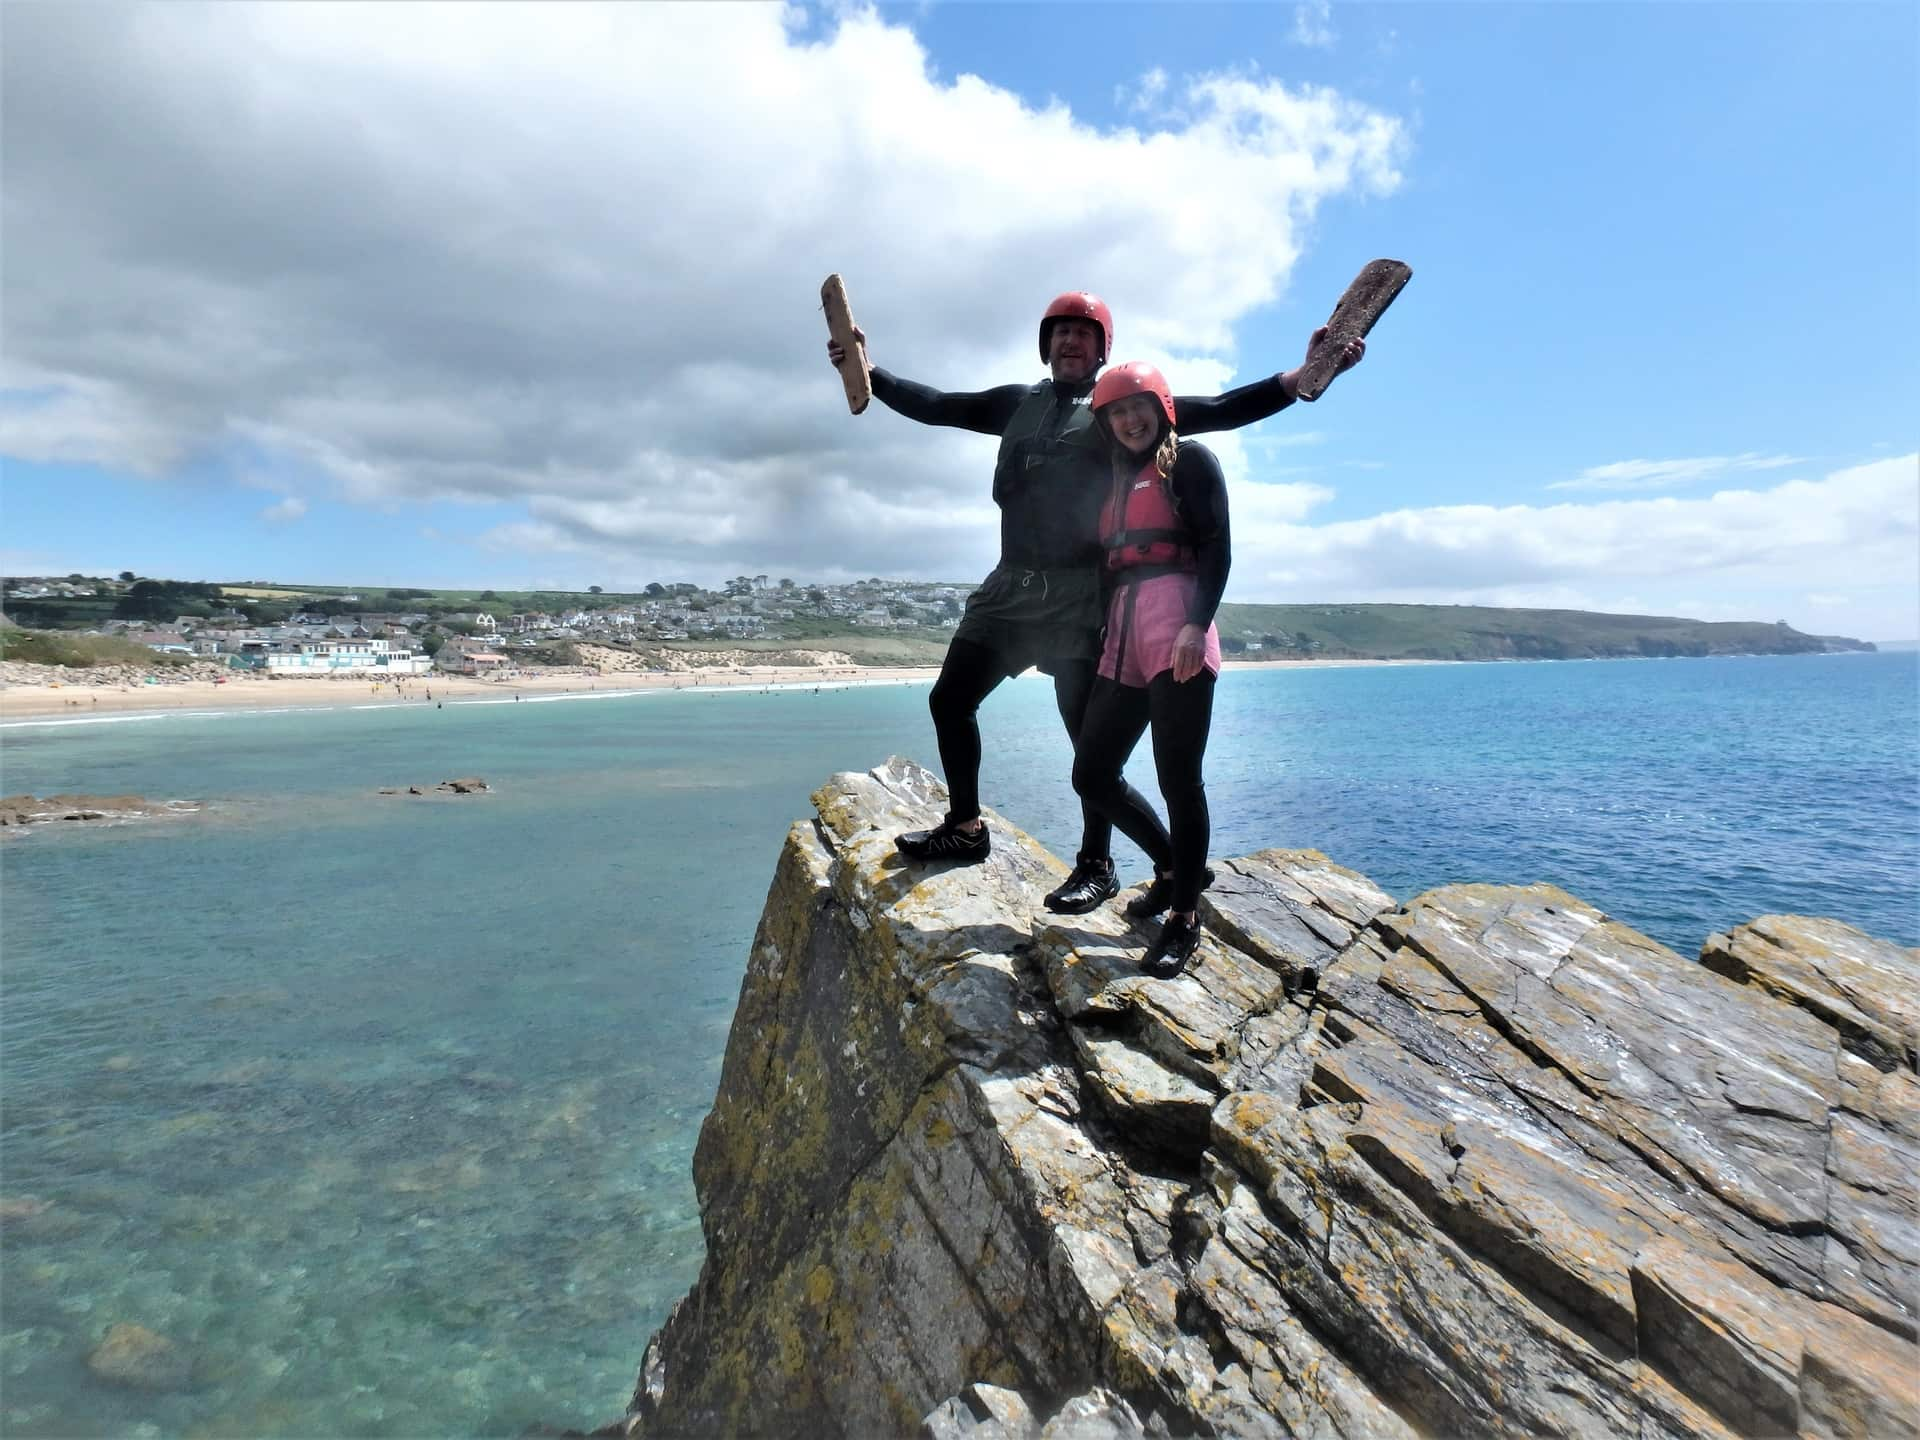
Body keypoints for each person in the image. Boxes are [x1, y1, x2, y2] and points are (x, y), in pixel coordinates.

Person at [828, 293, 1361, 912]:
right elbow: (942, 405)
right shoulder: (1015, 404)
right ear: (1045, 343)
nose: (1069, 342)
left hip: (1082, 600)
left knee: (1088, 747)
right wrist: (868, 371)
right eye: (1059, 332)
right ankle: (966, 828)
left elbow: (1216, 410)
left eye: (1083, 333)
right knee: (950, 699)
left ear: (1102, 347)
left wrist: (1296, 380)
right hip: (1009, 589)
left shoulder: (1116, 412)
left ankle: (1098, 863)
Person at [1071, 362, 1230, 975]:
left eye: (1139, 406)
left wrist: (1195, 624)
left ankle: (1185, 918)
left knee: (1178, 779)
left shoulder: (1188, 461)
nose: (1129, 419)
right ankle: (1174, 868)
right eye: (1117, 411)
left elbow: (1217, 546)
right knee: (1092, 771)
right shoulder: (1115, 479)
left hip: (1177, 626)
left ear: (1162, 407)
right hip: (1125, 628)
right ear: (1107, 423)